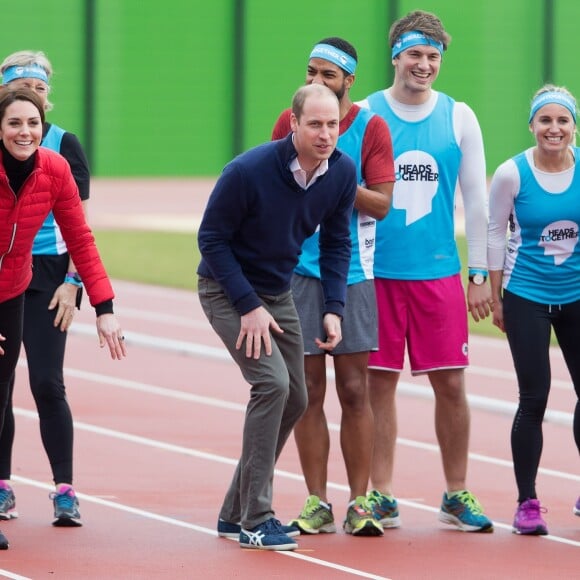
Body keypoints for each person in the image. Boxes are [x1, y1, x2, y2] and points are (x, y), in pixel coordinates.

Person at [197, 83, 356, 551]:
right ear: (293, 123)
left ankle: (233, 513)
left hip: (277, 290)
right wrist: (247, 306)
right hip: (227, 289)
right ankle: (255, 518)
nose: (325, 134)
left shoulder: (342, 174)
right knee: (272, 384)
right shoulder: (248, 171)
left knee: (296, 397)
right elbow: (211, 240)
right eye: (315, 124)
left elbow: (336, 243)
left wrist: (333, 308)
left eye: (333, 125)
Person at [358, 10, 494, 532]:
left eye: (433, 56)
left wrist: (478, 273)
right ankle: (381, 493)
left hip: (437, 274)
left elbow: (477, 202)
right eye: (415, 54)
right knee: (377, 386)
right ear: (396, 55)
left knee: (453, 386)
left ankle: (456, 491)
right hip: (377, 275)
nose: (424, 64)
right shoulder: (367, 113)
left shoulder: (459, 116)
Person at [272, 37, 394, 536]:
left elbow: (383, 204)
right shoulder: (289, 119)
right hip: (297, 272)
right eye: (311, 72)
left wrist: (336, 180)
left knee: (354, 390)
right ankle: (316, 501)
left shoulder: (371, 127)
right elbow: (275, 183)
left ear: (349, 81)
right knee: (307, 392)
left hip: (355, 274)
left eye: (328, 74)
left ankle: (360, 501)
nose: (317, 82)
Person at [0, 88, 127, 550]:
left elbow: (81, 237)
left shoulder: (54, 169)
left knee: (36, 385)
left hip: (16, 287)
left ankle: (64, 489)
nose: (25, 132)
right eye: (14, 123)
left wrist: (105, 308)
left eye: (32, 123)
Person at [0, 50, 91, 528]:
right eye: (20, 88)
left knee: (46, 382)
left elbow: (79, 226)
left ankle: (64, 490)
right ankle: (2, 485)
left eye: (38, 89)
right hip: (3, 272)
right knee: (2, 383)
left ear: (46, 96)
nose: (30, 97)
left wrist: (74, 282)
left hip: (50, 276)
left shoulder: (62, 145)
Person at [488, 84, 580, 535]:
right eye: (545, 120)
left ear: (574, 127)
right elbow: (493, 230)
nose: (554, 128)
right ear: (532, 125)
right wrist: (491, 288)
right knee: (534, 399)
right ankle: (527, 502)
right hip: (526, 295)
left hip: (577, 295)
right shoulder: (512, 173)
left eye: (562, 120)